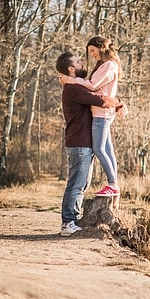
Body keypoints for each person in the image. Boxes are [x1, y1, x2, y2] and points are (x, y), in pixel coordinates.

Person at [56, 51, 124, 237]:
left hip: (83, 143)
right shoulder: (73, 89)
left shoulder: (75, 86)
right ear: (71, 69)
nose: (82, 63)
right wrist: (119, 102)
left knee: (82, 185)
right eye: (78, 62)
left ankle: (73, 219)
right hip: (79, 144)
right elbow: (100, 100)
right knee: (76, 185)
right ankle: (67, 223)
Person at [58, 35, 123, 198]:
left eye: (93, 50)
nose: (92, 55)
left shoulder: (109, 65)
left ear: (101, 48)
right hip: (101, 113)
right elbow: (93, 86)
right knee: (107, 149)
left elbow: (92, 86)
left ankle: (113, 184)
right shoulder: (104, 65)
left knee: (99, 149)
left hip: (102, 114)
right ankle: (114, 184)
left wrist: (71, 80)